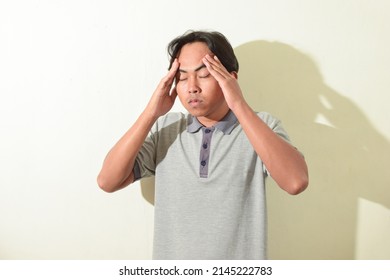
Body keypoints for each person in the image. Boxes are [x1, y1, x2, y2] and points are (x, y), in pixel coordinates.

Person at [97, 30, 309, 260]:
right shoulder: (166, 129)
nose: (192, 87)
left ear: (230, 78)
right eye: (182, 77)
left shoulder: (261, 126)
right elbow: (107, 181)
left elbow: (295, 182)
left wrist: (238, 104)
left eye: (204, 74)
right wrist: (151, 113)